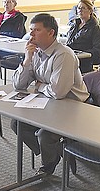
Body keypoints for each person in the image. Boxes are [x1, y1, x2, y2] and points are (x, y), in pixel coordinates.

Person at [11, 14, 89, 176]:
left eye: (37, 30)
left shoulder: (63, 55)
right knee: (17, 123)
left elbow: (59, 92)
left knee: (45, 134)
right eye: (31, 30)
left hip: (73, 107)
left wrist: (38, 85)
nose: (31, 35)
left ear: (51, 33)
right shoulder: (36, 52)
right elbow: (19, 85)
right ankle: (55, 151)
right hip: (48, 103)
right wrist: (27, 60)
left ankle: (49, 163)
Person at [66, 0, 100, 72]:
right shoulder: (75, 25)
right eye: (79, 8)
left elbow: (98, 51)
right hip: (71, 56)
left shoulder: (95, 28)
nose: (80, 10)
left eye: (83, 8)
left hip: (85, 61)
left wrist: (83, 53)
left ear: (90, 11)